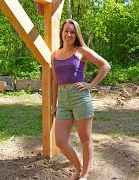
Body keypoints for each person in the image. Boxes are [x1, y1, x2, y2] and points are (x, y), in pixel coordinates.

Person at [51, 19, 111, 180]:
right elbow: (55, 81)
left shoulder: (81, 50)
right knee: (60, 141)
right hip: (63, 100)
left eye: (72, 32)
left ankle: (84, 174)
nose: (68, 34)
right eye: (66, 31)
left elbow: (105, 66)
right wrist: (53, 104)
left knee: (85, 138)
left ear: (76, 34)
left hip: (79, 97)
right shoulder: (54, 55)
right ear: (61, 32)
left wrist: (91, 84)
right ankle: (79, 168)